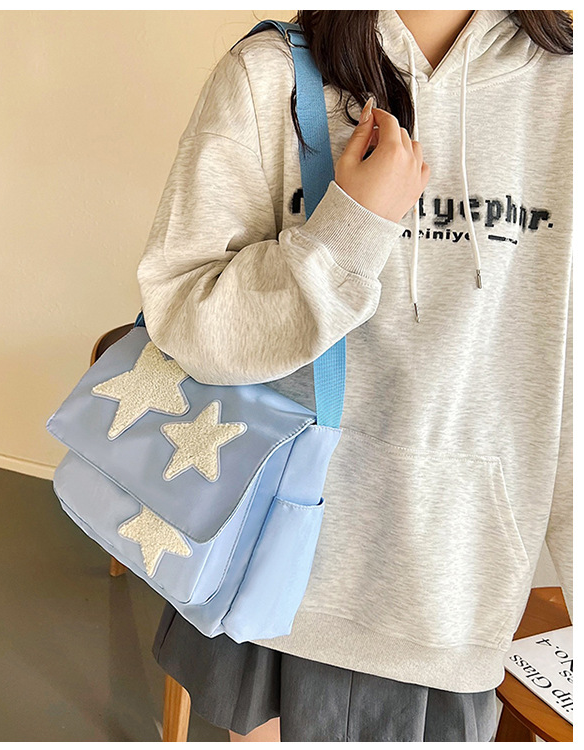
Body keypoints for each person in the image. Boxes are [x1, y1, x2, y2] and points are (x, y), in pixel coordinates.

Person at [136, 9, 573, 743]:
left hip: (450, 596)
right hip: (271, 559)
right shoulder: (270, 75)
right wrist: (348, 231)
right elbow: (185, 321)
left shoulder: (567, 93)